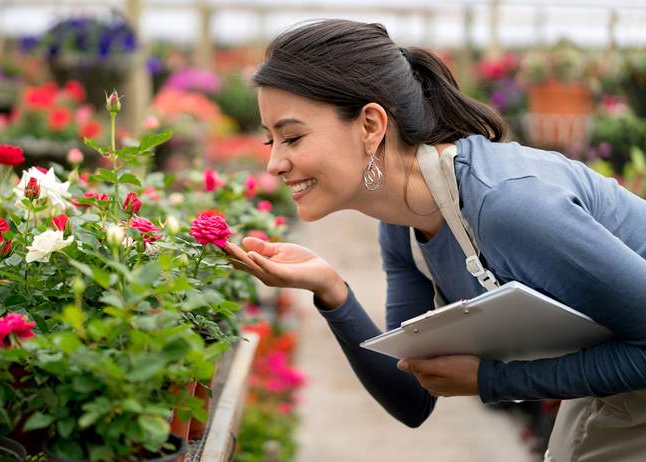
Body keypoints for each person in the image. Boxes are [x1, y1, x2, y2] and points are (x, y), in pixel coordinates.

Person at [224, 19, 646, 462]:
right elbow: (413, 395)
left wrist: (493, 380)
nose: (274, 164)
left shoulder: (507, 204)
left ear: (370, 125)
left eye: (292, 137)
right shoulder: (404, 223)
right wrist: (331, 290)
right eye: (270, 140)